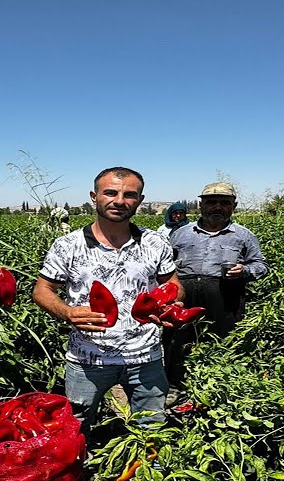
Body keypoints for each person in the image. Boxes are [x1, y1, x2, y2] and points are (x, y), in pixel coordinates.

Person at [33, 167, 180, 431]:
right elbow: (42, 289)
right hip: (88, 358)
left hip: (145, 356)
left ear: (140, 200)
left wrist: (170, 302)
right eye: (110, 192)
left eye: (129, 195)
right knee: (76, 427)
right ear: (94, 196)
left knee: (152, 427)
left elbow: (173, 284)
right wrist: (67, 312)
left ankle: (150, 471)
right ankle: (82, 471)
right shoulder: (68, 245)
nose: (119, 201)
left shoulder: (155, 242)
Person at [163, 182, 268, 390]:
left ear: (233, 206)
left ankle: (218, 389)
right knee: (178, 342)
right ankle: (176, 387)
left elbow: (262, 265)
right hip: (185, 294)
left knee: (224, 341)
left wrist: (244, 271)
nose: (217, 207)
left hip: (225, 295)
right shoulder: (181, 233)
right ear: (201, 205)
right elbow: (164, 264)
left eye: (224, 202)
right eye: (211, 202)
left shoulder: (243, 235)